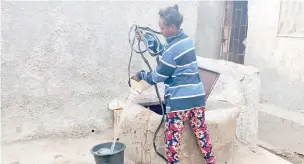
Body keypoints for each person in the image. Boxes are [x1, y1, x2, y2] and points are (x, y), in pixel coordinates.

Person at [132, 4, 215, 164]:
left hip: (179, 101)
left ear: (172, 27)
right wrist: (145, 39)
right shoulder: (187, 41)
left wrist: (141, 75)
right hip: (197, 97)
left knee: (172, 142)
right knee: (202, 135)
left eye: (163, 28)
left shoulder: (171, 51)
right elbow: (164, 51)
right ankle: (211, 161)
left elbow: (157, 76)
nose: (161, 30)